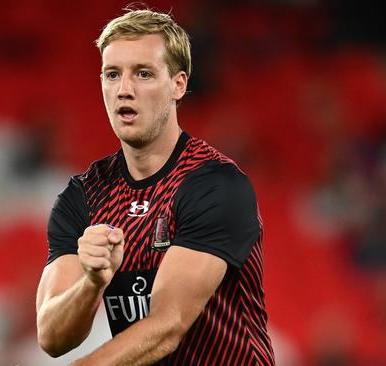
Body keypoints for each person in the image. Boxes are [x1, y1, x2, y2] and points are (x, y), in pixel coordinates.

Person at [35, 8, 274, 366]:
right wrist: (91, 282)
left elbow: (167, 326)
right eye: (112, 75)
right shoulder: (82, 198)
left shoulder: (216, 186)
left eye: (143, 74)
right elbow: (51, 336)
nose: (124, 90)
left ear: (178, 84)